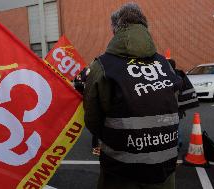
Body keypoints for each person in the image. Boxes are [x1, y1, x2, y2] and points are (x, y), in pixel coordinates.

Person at [83, 3, 182, 189]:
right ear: (145, 27)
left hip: (120, 172)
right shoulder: (164, 64)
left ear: (115, 30)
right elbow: (173, 104)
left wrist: (115, 137)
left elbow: (92, 118)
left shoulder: (103, 66)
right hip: (163, 169)